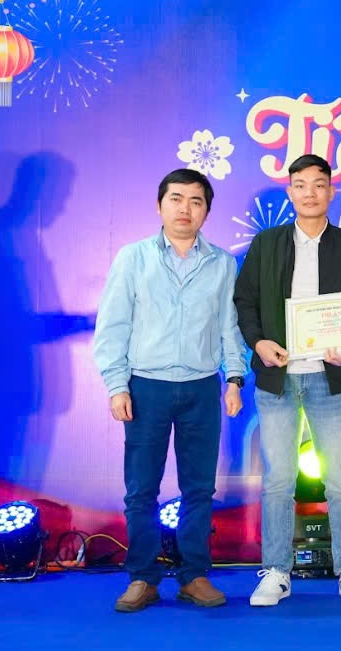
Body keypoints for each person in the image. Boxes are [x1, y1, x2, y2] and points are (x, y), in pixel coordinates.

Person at [93, 168, 246, 612]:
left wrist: (234, 379)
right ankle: (143, 577)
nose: (185, 209)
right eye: (176, 199)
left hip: (201, 388)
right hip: (146, 387)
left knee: (199, 489)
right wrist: (117, 385)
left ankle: (193, 575)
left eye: (196, 201)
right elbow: (113, 326)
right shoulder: (133, 258)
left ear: (207, 211)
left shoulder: (222, 263)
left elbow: (229, 327)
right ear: (159, 206)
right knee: (141, 490)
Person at [233, 154, 341, 606]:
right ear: (290, 191)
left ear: (331, 191)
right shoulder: (267, 243)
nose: (309, 192)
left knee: (340, 481)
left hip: (329, 379)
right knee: (278, 480)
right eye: (300, 185)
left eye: (318, 184)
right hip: (278, 379)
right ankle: (276, 570)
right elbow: (245, 301)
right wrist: (258, 343)